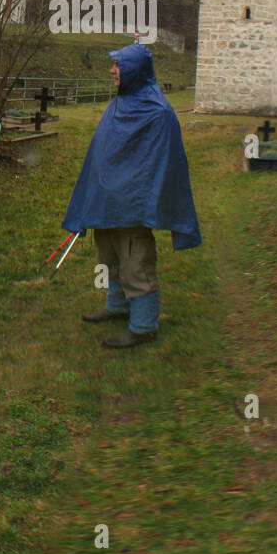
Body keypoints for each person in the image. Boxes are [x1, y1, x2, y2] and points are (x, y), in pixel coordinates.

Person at [61, 40, 199, 348]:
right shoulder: (119, 103)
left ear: (134, 70)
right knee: (110, 258)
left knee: (135, 262)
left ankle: (143, 325)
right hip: (106, 202)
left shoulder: (158, 112)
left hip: (133, 205)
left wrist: (141, 198)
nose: (112, 71)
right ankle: (118, 306)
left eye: (118, 66)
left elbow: (164, 161)